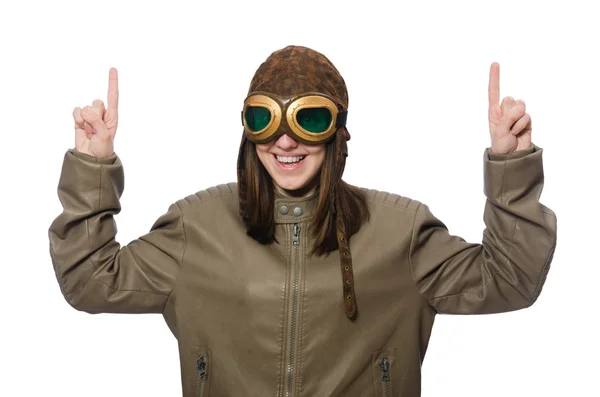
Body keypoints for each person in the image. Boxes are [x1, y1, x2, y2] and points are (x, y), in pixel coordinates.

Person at [48, 45, 557, 396]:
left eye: (308, 119)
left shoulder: (398, 233)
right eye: (266, 119)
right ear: (249, 129)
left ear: (336, 133)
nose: (285, 141)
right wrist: (92, 167)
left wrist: (510, 168)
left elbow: (509, 280)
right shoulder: (196, 228)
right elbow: (90, 281)